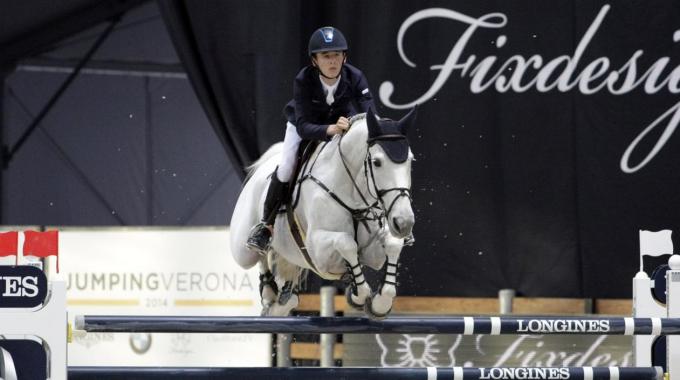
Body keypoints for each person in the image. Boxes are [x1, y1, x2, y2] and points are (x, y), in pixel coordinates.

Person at [246, 26, 376, 254]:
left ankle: (382, 222)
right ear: (315, 61)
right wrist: (331, 128)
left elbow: (371, 115)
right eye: (326, 56)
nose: (332, 61)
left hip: (339, 127)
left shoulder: (355, 77)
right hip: (302, 126)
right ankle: (265, 226)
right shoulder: (304, 80)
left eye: (337, 55)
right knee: (286, 167)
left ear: (344, 57)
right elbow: (305, 127)